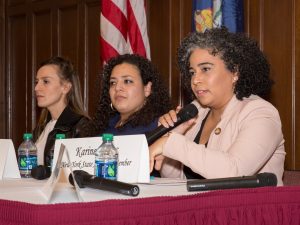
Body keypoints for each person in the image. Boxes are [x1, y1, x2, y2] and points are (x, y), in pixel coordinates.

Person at [149, 27, 286, 185]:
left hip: (248, 209)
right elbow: (175, 183)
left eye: (205, 69)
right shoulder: (195, 112)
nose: (195, 80)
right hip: (198, 208)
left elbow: (235, 171)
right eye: (192, 72)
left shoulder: (260, 113)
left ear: (234, 72)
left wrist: (170, 143)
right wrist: (172, 137)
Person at [91, 54, 172, 136]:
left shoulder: (159, 127)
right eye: (113, 83)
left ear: (147, 88)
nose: (117, 88)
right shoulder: (102, 127)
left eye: (127, 81)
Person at [33, 56, 90, 168]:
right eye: (37, 81)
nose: (36, 88)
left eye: (45, 81)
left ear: (65, 87)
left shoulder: (81, 126)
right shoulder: (41, 127)